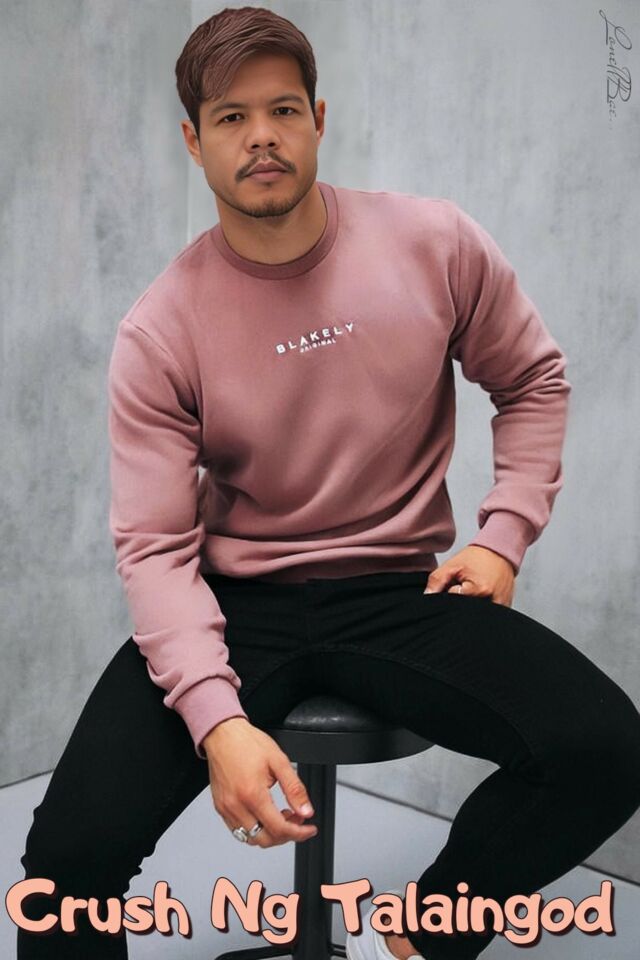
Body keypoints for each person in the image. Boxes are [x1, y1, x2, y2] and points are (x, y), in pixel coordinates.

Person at [17, 6, 640, 960]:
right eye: (231, 117)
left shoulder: (434, 243)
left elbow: (531, 379)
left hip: (400, 595)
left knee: (604, 748)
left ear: (317, 119)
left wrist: (503, 536)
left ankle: (419, 936)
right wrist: (218, 722)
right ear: (194, 141)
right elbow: (153, 549)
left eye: (282, 110)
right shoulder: (161, 327)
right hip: (236, 603)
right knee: (66, 865)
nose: (260, 136)